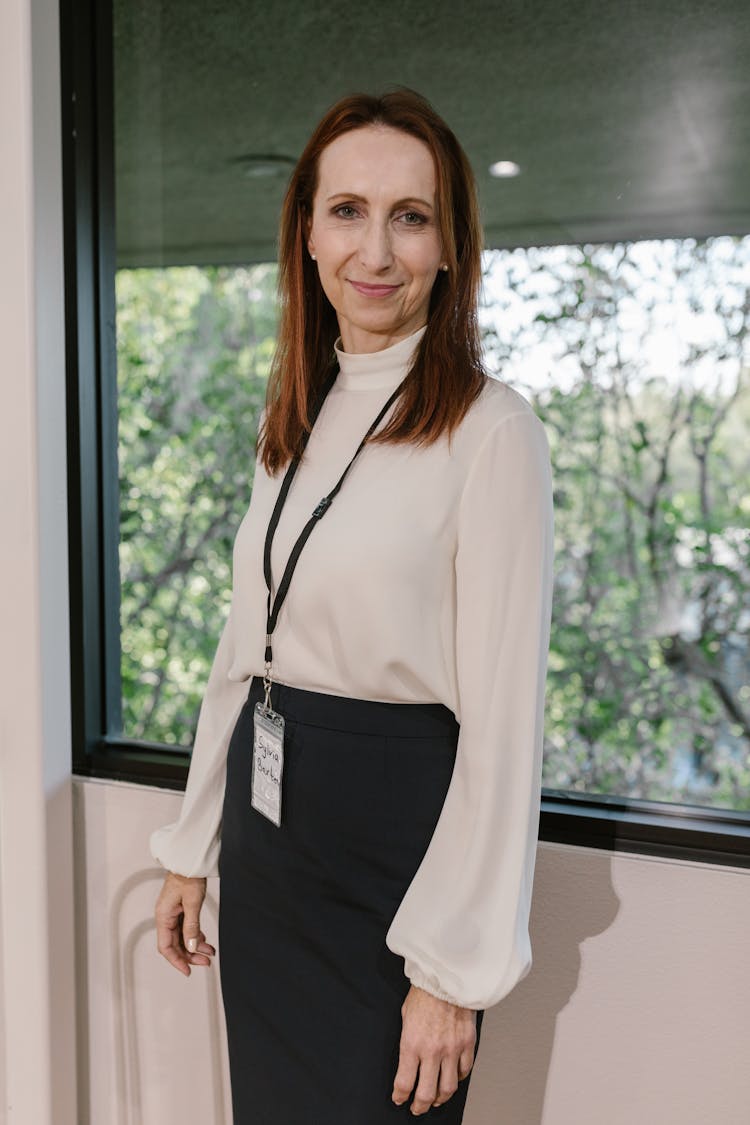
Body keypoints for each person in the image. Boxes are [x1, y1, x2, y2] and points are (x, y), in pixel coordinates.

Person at [152, 87, 554, 1123]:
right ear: (306, 232)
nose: (375, 249)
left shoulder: (492, 430)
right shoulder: (298, 409)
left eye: (410, 216)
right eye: (347, 211)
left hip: (397, 860)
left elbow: (504, 723)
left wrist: (450, 972)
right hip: (271, 844)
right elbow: (247, 649)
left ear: (451, 245)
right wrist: (195, 847)